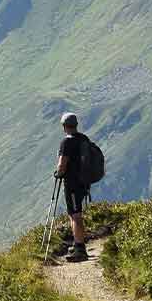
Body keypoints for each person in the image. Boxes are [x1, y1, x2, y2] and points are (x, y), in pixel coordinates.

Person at [55, 112, 93, 262]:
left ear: (64, 126)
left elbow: (61, 165)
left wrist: (58, 173)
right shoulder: (84, 139)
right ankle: (79, 245)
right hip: (84, 183)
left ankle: (80, 249)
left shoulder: (66, 142)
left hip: (72, 184)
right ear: (76, 125)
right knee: (76, 214)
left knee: (75, 215)